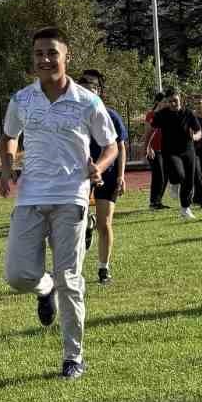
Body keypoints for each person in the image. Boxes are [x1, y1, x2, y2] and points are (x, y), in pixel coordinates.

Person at [0, 27, 117, 380]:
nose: (45, 59)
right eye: (39, 53)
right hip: (30, 197)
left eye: (52, 52)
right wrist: (7, 170)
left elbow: (110, 144)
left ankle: (72, 357)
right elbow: (8, 136)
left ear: (67, 57)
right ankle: (43, 287)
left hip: (72, 196)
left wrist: (100, 166)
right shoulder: (22, 99)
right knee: (18, 275)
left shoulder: (87, 101)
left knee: (70, 278)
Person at [78, 68, 128, 282]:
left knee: (105, 222)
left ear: (100, 91)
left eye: (94, 86)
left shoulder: (111, 115)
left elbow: (121, 147)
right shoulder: (73, 115)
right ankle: (85, 230)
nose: (90, 88)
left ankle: (103, 269)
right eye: (86, 85)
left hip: (106, 174)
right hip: (80, 175)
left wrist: (120, 175)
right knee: (75, 223)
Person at [147, 89, 202, 220]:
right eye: (170, 101)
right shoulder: (162, 114)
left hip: (188, 150)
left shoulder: (188, 113)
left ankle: (185, 209)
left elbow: (199, 131)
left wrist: (195, 137)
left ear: (180, 99)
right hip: (170, 151)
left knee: (189, 179)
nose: (173, 103)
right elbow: (151, 130)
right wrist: (148, 146)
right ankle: (173, 182)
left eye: (175, 101)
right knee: (179, 174)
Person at [145, 91, 169, 209]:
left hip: (166, 149)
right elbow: (148, 133)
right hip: (154, 150)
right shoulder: (151, 115)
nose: (166, 104)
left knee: (166, 175)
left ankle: (158, 201)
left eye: (167, 102)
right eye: (164, 102)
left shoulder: (169, 114)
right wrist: (147, 148)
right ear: (157, 102)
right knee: (158, 174)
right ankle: (153, 202)